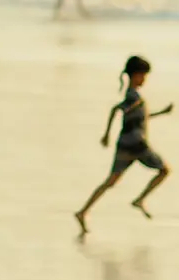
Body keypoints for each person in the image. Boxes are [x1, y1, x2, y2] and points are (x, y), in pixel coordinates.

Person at [74, 55, 173, 235]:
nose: (144, 80)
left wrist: (162, 113)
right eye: (143, 76)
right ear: (136, 75)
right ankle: (140, 200)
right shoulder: (133, 95)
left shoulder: (132, 96)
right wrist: (106, 134)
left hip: (124, 144)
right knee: (165, 170)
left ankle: (83, 211)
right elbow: (118, 109)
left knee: (110, 181)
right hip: (137, 144)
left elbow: (141, 117)